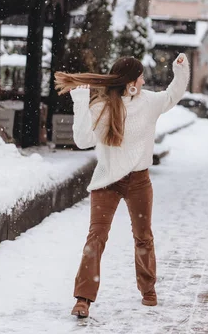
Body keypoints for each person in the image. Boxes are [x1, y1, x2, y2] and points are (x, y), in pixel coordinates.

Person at [54, 54, 190, 318]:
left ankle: (148, 289)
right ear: (130, 81)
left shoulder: (149, 102)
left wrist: (180, 69)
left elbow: (173, 94)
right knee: (96, 237)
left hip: (139, 180)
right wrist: (81, 102)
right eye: (140, 76)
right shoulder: (102, 106)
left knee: (143, 237)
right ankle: (83, 298)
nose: (143, 80)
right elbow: (82, 140)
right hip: (108, 181)